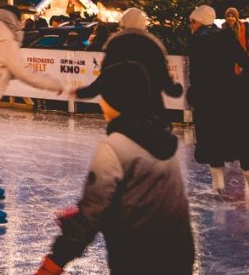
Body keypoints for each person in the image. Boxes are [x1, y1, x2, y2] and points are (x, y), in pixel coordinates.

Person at [34, 61, 194, 275]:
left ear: (115, 100)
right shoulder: (163, 139)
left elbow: (89, 217)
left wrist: (53, 263)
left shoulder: (113, 148)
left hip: (137, 260)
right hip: (179, 256)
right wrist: (104, 217)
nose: (101, 103)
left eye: (104, 96)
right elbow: (151, 205)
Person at [0, 5, 65, 224]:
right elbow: (24, 72)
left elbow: (6, 68)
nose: (22, 25)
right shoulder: (4, 39)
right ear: (13, 20)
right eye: (20, 20)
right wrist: (56, 85)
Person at [187, 5, 249, 196]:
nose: (191, 25)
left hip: (208, 99)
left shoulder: (196, 41)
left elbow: (195, 74)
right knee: (241, 139)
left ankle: (218, 183)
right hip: (232, 96)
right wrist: (242, 86)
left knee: (212, 140)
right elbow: (247, 63)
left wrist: (195, 94)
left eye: (193, 21)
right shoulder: (226, 37)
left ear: (201, 21)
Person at [76, 8, 183, 118]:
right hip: (150, 107)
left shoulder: (116, 44)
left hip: (123, 105)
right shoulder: (152, 45)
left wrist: (85, 92)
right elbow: (162, 77)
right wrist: (175, 89)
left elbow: (106, 75)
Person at [223, 7, 249, 75]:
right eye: (228, 16)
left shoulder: (244, 30)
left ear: (236, 18)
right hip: (227, 68)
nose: (230, 18)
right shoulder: (222, 31)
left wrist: (245, 61)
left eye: (232, 16)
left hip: (242, 68)